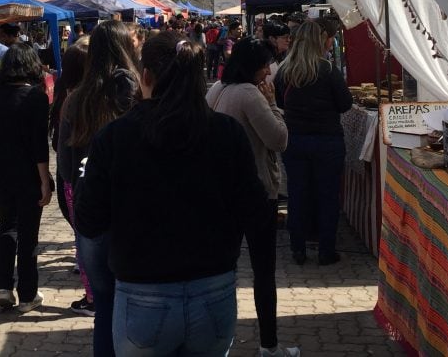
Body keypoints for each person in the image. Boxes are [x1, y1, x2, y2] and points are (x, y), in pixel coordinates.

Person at [76, 31, 271, 356]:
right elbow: (256, 212)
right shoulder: (227, 133)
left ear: (146, 76)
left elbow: (89, 220)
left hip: (143, 294)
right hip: (213, 291)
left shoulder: (115, 138)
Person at [206, 36, 298, 357]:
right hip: (256, 192)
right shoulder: (249, 94)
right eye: (264, 66)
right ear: (253, 67)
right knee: (263, 271)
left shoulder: (216, 90)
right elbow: (279, 139)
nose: (268, 72)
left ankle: (221, 342)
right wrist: (273, 103)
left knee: (224, 270)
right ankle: (269, 346)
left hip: (221, 192)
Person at [58, 20, 141, 356]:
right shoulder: (134, 91)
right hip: (129, 212)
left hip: (89, 213)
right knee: (134, 299)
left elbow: (64, 166)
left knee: (104, 302)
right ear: (126, 47)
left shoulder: (75, 99)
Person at [274, 18, 352, 266]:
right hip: (327, 141)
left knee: (298, 195)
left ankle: (298, 248)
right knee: (327, 196)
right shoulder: (328, 70)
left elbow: (280, 103)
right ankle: (326, 251)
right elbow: (345, 104)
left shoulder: (285, 71)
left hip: (295, 140)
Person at [0, 44, 52, 312]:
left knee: (7, 226)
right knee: (28, 234)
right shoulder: (35, 97)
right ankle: (27, 293)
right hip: (26, 175)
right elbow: (39, 145)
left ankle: (2, 286)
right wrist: (45, 180)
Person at [49, 36, 94, 315]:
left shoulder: (68, 97)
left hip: (74, 179)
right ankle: (93, 297)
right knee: (85, 241)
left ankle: (93, 297)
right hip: (79, 179)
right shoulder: (79, 99)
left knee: (84, 239)